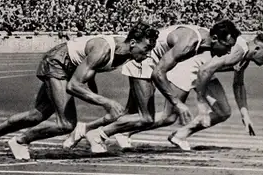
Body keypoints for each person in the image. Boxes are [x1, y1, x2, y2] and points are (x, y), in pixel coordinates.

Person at [0, 21, 159, 160]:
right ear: (133, 42)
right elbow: (74, 86)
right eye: (146, 48)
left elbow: (89, 72)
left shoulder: (127, 54)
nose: (148, 53)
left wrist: (98, 97)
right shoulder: (104, 49)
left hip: (66, 67)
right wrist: (106, 102)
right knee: (66, 124)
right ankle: (20, 141)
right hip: (58, 63)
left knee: (36, 115)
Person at [66, 20, 240, 153]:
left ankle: (87, 129)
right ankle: (96, 134)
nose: (228, 52)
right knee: (146, 118)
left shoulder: (202, 42)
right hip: (143, 62)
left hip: (149, 62)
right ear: (215, 38)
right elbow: (158, 72)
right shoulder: (190, 42)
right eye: (227, 46)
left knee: (132, 114)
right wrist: (177, 103)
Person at [167, 32, 263, 150]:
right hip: (188, 68)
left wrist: (245, 115)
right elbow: (204, 70)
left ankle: (179, 136)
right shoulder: (238, 51)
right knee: (167, 118)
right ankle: (144, 127)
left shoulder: (245, 56)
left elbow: (238, 85)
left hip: (205, 71)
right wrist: (202, 105)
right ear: (257, 48)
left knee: (223, 112)